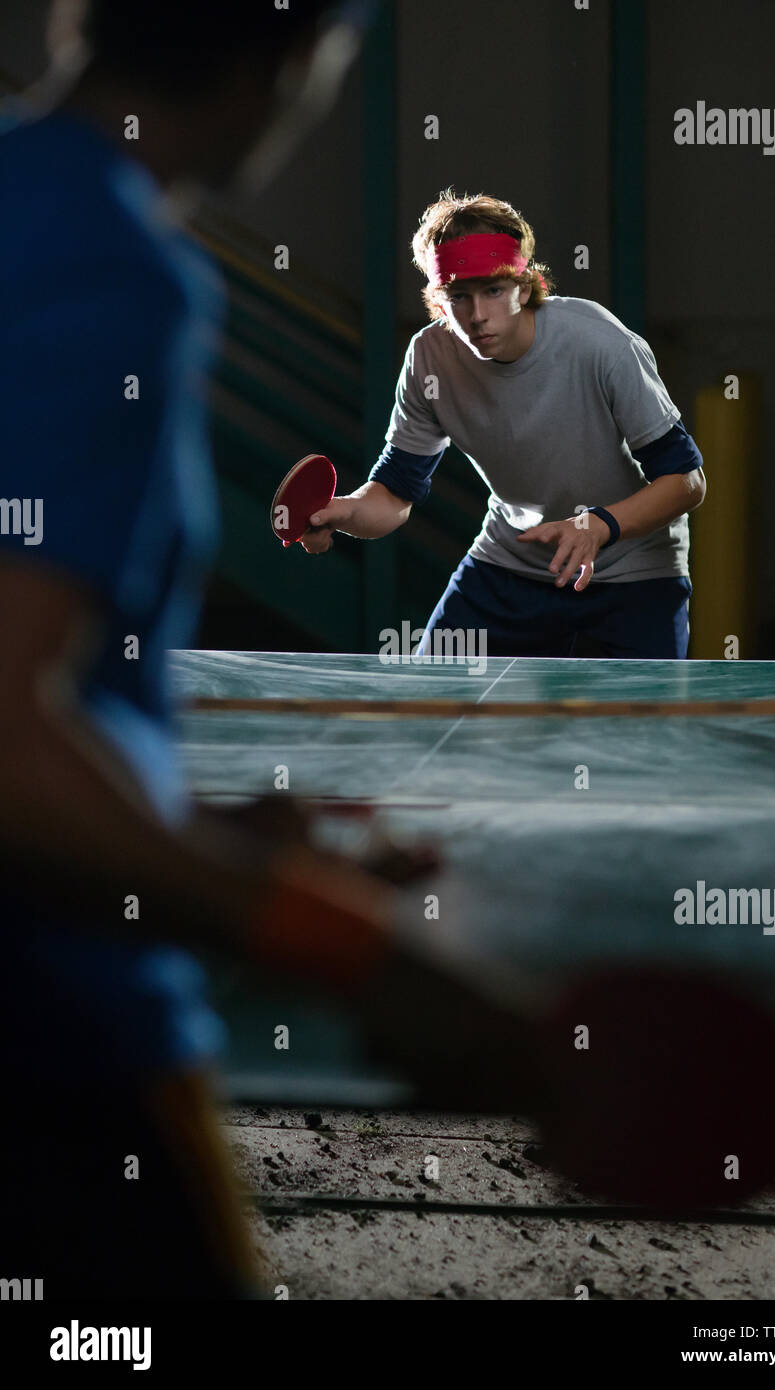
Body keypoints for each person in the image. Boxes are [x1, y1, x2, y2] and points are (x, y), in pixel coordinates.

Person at [1, 0, 536, 1302]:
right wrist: (354, 952)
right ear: (293, 62)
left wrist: (210, 824)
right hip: (50, 1047)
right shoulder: (115, 266)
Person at [301, 191, 707, 660]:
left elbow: (686, 482)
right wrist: (346, 511)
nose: (476, 316)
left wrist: (599, 526)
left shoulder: (600, 343)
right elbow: (395, 492)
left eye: (493, 290)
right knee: (427, 707)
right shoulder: (430, 357)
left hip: (633, 575)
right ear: (438, 299)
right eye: (459, 296)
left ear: (526, 284)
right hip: (508, 569)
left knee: (632, 733)